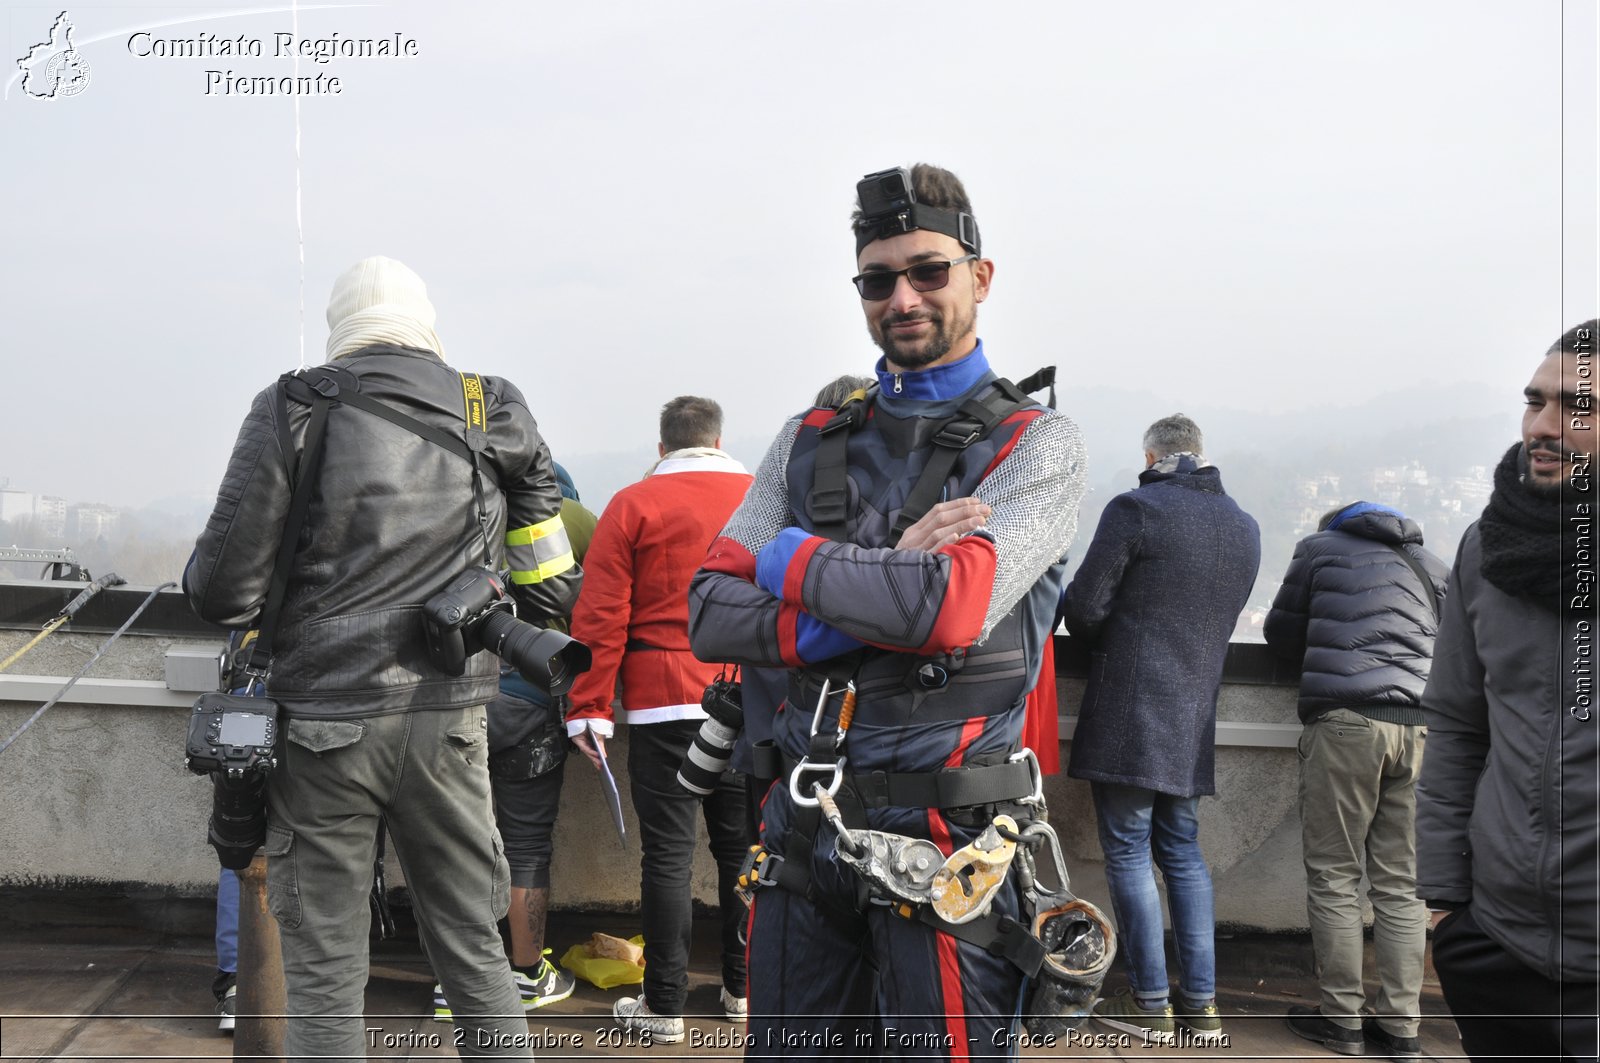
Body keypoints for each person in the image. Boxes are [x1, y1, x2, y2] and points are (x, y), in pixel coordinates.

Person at [687, 163, 1087, 1058]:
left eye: (928, 271)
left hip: (946, 842)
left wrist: (789, 557)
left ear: (980, 277)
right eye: (878, 279)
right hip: (803, 830)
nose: (902, 296)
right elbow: (709, 610)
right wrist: (883, 575)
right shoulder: (808, 439)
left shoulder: (1036, 445)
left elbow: (951, 608)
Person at [185, 256, 581, 1061]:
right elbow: (550, 590)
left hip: (323, 727)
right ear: (424, 323)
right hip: (451, 726)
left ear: (341, 328)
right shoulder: (491, 405)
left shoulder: (294, 405)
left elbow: (221, 595)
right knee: (475, 952)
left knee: (326, 976)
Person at [1415, 319, 1599, 1063]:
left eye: (1576, 408)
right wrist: (1447, 906)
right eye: (1535, 401)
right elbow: (1457, 723)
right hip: (1498, 945)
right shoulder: (1487, 547)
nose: (1544, 427)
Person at [1060, 414, 1260, 1046]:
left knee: (1127, 849)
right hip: (1194, 711)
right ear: (1199, 454)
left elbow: (1087, 608)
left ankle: (1150, 1003)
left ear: (1151, 454)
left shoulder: (1136, 509)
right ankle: (1201, 1006)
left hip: (1130, 707)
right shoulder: (1244, 527)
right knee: (1182, 852)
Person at [564, 396, 755, 1044]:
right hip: (745, 697)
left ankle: (663, 1004)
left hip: (662, 702)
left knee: (668, 855)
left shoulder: (633, 504)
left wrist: (589, 707)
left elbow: (600, 616)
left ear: (662, 446)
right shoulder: (762, 496)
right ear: (719, 438)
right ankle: (742, 991)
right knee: (745, 852)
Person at [1263, 501, 1448, 1061]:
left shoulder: (1319, 550)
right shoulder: (1434, 564)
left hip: (1347, 724)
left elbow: (1281, 633)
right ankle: (1401, 1029)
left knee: (1336, 875)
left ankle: (1342, 1021)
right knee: (1402, 884)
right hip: (1422, 729)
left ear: (1336, 526)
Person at [431, 463, 597, 1021]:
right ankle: (528, 974)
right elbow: (597, 607)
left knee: (455, 840)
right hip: (529, 703)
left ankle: (452, 981)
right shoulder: (569, 519)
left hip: (451, 702)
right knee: (525, 844)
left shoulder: (447, 520)